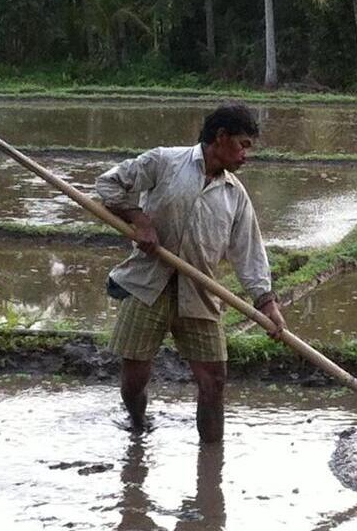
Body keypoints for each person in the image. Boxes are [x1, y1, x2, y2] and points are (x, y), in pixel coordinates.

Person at [96, 103, 286, 441]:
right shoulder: (165, 162)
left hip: (200, 292)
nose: (246, 155)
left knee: (214, 379)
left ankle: (212, 457)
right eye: (242, 145)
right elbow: (109, 184)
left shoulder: (235, 195)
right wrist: (139, 220)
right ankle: (137, 428)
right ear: (221, 137)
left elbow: (249, 252)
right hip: (148, 284)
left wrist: (266, 301)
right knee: (134, 379)